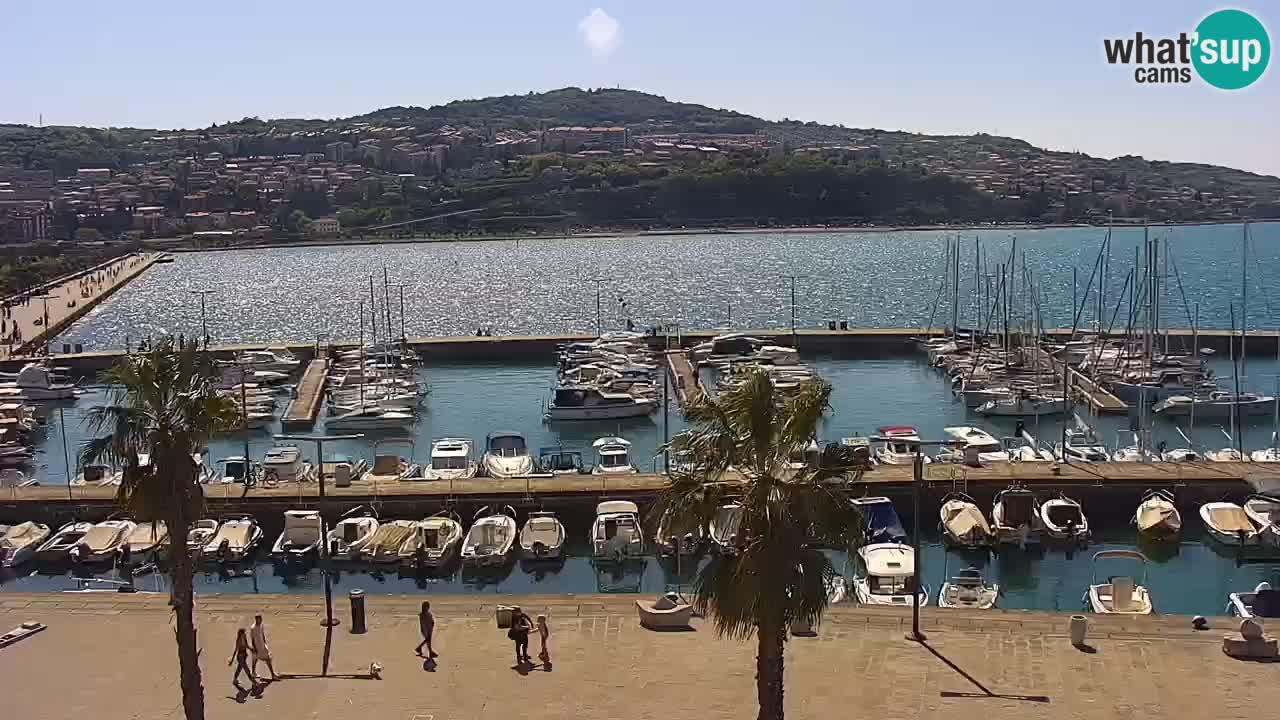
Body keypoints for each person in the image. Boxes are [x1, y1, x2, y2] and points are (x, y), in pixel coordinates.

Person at [249, 615, 279, 680]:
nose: (261, 620)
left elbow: (262, 634)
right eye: (260, 619)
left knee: (258, 659)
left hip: (262, 646)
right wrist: (255, 648)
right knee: (263, 660)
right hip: (257, 647)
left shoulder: (261, 625)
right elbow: (252, 640)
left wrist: (265, 643)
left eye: (261, 619)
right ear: (256, 619)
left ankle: (254, 673)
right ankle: (272, 675)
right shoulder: (253, 628)